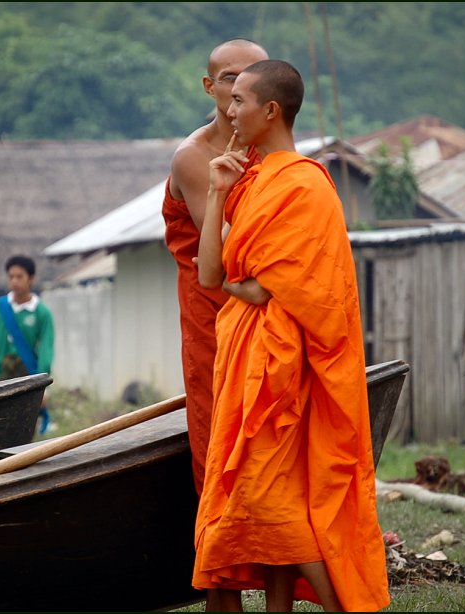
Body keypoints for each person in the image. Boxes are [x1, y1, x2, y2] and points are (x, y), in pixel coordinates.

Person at [193, 60, 390, 611]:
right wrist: (215, 192)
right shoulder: (248, 181)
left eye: (239, 102)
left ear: (270, 110)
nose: (229, 112)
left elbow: (266, 291)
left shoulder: (303, 186)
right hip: (246, 359)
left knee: (268, 502)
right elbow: (213, 275)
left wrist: (248, 284)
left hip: (281, 371)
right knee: (269, 501)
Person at [163, 38, 268, 495]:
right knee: (221, 428)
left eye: (255, 77)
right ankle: (227, 555)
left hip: (267, 306)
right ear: (210, 87)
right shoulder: (194, 156)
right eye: (230, 79)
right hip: (215, 311)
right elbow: (225, 257)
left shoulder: (270, 147)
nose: (242, 87)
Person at [0, 254, 55, 434]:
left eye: (19, 276)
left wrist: (42, 386)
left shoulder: (42, 313)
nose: (14, 281)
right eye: (11, 276)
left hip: (28, 379)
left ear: (31, 279)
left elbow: (46, 351)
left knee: (23, 430)